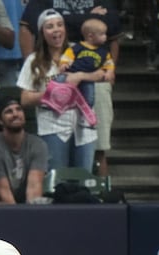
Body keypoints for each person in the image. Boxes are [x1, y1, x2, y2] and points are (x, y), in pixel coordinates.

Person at [19, 0, 121, 176]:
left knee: (84, 178)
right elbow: (25, 99)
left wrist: (80, 76)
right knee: (57, 179)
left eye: (60, 25)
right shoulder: (33, 61)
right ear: (42, 32)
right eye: (50, 26)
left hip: (83, 125)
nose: (56, 30)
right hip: (53, 125)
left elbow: (102, 74)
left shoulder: (79, 51)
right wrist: (52, 93)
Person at [0, 97, 49, 203]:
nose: (15, 114)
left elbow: (34, 189)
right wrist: (18, 217)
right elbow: (4, 193)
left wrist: (31, 216)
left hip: (25, 205)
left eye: (19, 109)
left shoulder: (38, 145)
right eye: (9, 111)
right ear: (0, 120)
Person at [58, 18, 115, 109]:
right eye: (102, 34)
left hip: (89, 78)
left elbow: (109, 63)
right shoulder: (78, 47)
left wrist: (109, 72)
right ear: (90, 36)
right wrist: (64, 63)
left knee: (89, 98)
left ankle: (86, 111)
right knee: (61, 83)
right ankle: (56, 101)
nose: (105, 37)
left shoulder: (104, 52)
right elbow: (68, 55)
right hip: (72, 73)